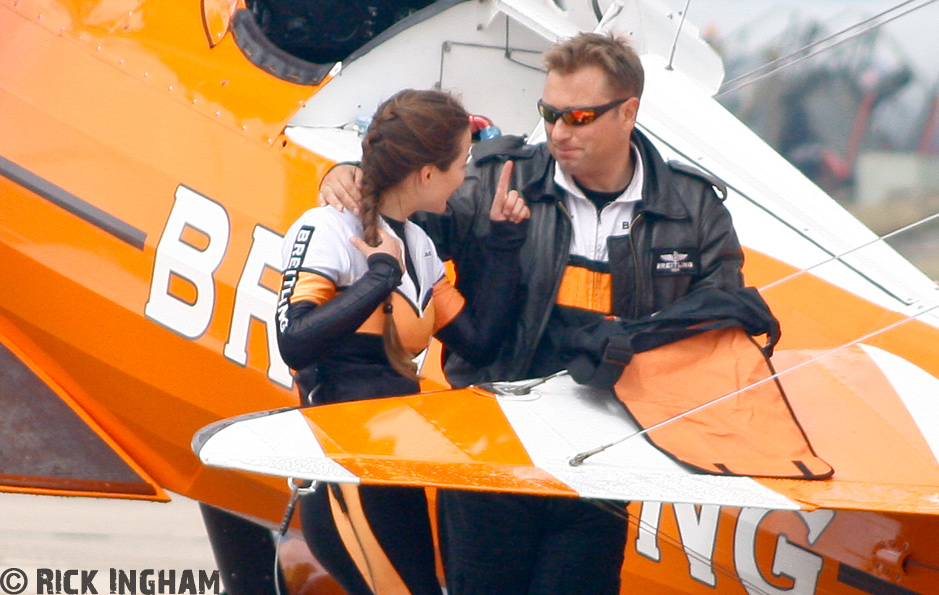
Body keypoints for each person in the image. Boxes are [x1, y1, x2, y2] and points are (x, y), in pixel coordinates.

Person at [319, 33, 747, 594]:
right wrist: (348, 176)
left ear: (629, 112)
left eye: (579, 117)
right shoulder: (496, 179)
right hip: (492, 457)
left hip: (602, 466)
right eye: (549, 114)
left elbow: (726, 319)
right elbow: (404, 205)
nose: (559, 132)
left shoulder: (692, 211)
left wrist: (637, 345)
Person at [278, 88, 530, 595]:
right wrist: (380, 276)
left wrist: (503, 243)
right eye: (461, 163)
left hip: (397, 468)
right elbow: (296, 343)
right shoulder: (327, 226)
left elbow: (477, 343)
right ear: (427, 174)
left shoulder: (420, 244)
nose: (465, 176)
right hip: (343, 466)